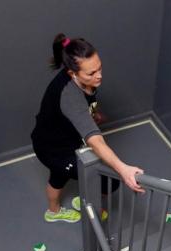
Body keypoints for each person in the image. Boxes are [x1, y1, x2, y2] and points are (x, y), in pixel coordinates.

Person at [31, 34, 144, 223]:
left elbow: (89, 98)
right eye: (91, 73)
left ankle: (65, 207)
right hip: (53, 148)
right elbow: (95, 141)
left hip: (63, 140)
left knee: (59, 176)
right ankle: (55, 212)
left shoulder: (85, 80)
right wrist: (123, 169)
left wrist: (94, 114)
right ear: (72, 73)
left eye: (99, 68)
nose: (99, 75)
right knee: (109, 181)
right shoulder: (69, 96)